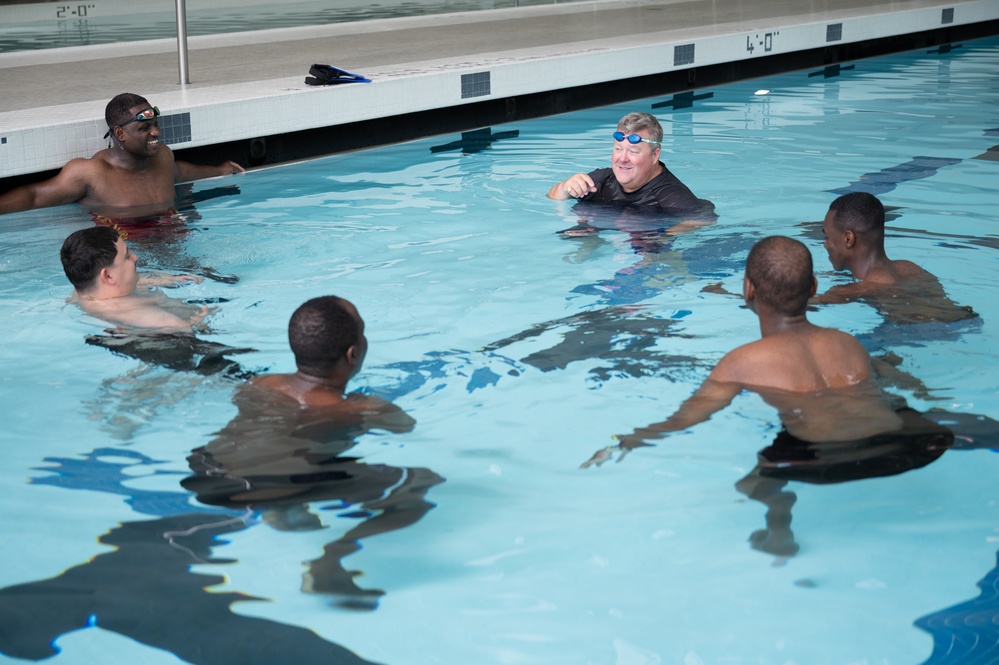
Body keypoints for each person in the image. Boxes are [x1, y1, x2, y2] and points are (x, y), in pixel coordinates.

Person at [183, 296, 441, 608]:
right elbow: (404, 426)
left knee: (303, 460)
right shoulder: (360, 408)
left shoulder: (260, 383)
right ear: (354, 353)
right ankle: (330, 561)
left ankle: (286, 509)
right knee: (419, 483)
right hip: (271, 483)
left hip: (207, 472)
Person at [0, 92, 244, 216]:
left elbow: (180, 172)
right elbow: (33, 196)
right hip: (128, 256)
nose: (156, 132)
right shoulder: (91, 173)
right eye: (144, 128)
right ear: (120, 133)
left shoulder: (162, 157)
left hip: (173, 237)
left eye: (156, 124)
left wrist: (220, 171)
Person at [814, 192, 977, 324]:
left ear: (848, 239)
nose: (825, 245)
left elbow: (800, 306)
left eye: (827, 237)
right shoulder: (909, 268)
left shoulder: (867, 285)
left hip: (927, 333)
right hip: (965, 319)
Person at [547, 111, 714, 216]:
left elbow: (704, 219)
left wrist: (655, 235)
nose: (622, 159)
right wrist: (565, 187)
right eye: (618, 149)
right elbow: (552, 196)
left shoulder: (671, 196)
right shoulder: (601, 180)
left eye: (633, 152)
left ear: (655, 155)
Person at [60, 225, 211, 334]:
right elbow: (180, 327)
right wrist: (197, 321)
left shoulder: (83, 291)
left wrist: (164, 279)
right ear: (108, 276)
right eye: (127, 256)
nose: (135, 257)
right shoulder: (135, 314)